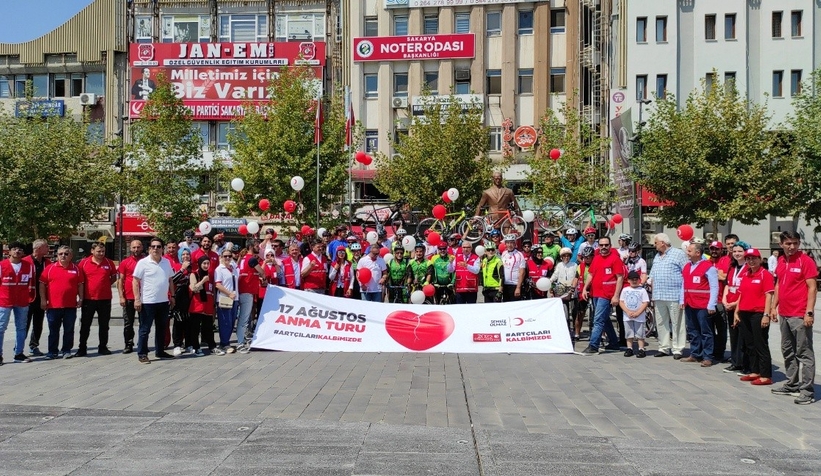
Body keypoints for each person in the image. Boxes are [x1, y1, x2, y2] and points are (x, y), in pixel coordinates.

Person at [771, 230, 817, 405]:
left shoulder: (806, 261)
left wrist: (809, 311)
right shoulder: (781, 261)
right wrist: (774, 307)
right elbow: (778, 285)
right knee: (788, 350)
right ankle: (792, 383)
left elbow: (812, 287)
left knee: (804, 352)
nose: (792, 246)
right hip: (784, 313)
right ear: (781, 244)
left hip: (799, 314)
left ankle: (807, 390)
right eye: (788, 243)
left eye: (795, 243)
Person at [733, 248, 775, 386]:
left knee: (760, 344)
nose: (751, 261)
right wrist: (736, 312)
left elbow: (769, 295)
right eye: (748, 258)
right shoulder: (746, 274)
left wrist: (766, 315)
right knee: (749, 344)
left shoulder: (765, 275)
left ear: (760, 259)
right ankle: (755, 370)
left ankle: (765, 374)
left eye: (754, 258)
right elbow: (741, 294)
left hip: (758, 313)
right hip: (744, 312)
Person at [132, 238, 176, 364]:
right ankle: (142, 353)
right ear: (149, 248)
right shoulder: (143, 263)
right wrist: (137, 299)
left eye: (158, 246)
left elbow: (170, 280)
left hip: (163, 301)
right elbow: (135, 281)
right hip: (147, 302)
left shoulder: (166, 262)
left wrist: (172, 296)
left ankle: (160, 351)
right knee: (145, 329)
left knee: (161, 328)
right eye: (153, 246)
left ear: (163, 249)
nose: (156, 249)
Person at [580, 237, 623, 354]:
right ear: (598, 246)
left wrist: (616, 296)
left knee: (598, 320)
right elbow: (590, 274)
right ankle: (614, 343)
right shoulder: (596, 259)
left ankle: (593, 345)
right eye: (601, 245)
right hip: (595, 293)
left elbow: (620, 278)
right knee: (605, 319)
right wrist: (585, 288)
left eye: (606, 245)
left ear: (610, 245)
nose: (604, 247)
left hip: (607, 294)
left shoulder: (615, 259)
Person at [648, 233, 688, 359]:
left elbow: (686, 274)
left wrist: (683, 295)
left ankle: (677, 348)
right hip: (659, 295)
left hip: (674, 295)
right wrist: (653, 295)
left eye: (656, 243)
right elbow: (653, 276)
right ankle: (664, 347)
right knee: (661, 323)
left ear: (662, 243)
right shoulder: (657, 256)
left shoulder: (679, 254)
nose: (654, 246)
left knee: (677, 323)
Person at [39, 246, 84, 360]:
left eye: (66, 254)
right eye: (60, 254)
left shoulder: (76, 269)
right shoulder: (49, 268)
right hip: (54, 306)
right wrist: (43, 300)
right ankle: (52, 351)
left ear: (71, 256)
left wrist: (81, 299)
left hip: (70, 305)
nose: (63, 256)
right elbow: (42, 285)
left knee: (69, 330)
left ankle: (66, 350)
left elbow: (80, 285)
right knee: (53, 330)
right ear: (57, 255)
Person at [680, 241, 719, 367]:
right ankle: (695, 353)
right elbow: (683, 285)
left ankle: (707, 356)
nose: (687, 253)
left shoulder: (709, 267)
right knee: (692, 330)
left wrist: (712, 304)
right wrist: (682, 299)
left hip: (702, 304)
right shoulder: (687, 266)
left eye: (690, 251)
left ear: (698, 253)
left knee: (705, 331)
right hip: (689, 303)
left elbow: (714, 286)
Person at [76, 242, 118, 357]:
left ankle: (103, 347)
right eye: (98, 251)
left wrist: (104, 285)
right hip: (89, 299)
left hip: (105, 299)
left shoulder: (109, 263)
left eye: (103, 251)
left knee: (104, 325)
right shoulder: (84, 263)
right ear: (92, 251)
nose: (101, 253)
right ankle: (82, 348)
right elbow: (79, 279)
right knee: (85, 325)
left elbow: (114, 277)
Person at [0, 242, 36, 365]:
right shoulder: (2, 265)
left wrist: (30, 298)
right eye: (14, 249)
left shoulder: (28, 266)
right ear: (9, 251)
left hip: (22, 301)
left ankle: (19, 353)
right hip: (4, 301)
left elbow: (31, 284)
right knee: (1, 328)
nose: (17, 251)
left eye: (20, 249)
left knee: (21, 328)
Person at [722, 241, 751, 374]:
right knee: (733, 335)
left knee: (743, 336)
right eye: (734, 251)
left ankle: (744, 363)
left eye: (740, 251)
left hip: (742, 306)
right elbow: (727, 284)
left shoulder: (748, 268)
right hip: (730, 305)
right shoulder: (732, 267)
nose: (737, 254)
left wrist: (735, 304)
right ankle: (735, 362)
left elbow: (745, 290)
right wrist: (724, 300)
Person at [614, 242, 647, 348]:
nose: (631, 253)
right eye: (630, 251)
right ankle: (623, 338)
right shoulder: (625, 261)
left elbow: (644, 274)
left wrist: (640, 284)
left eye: (633, 251)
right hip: (625, 289)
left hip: (636, 287)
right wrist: (623, 261)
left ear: (638, 252)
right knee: (621, 315)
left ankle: (638, 339)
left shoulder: (641, 261)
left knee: (636, 315)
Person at [237, 242, 265, 353]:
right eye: (257, 246)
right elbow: (262, 271)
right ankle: (240, 343)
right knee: (244, 319)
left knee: (243, 318)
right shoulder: (252, 259)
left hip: (243, 289)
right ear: (250, 247)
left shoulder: (244, 258)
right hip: (247, 291)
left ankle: (242, 339)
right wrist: (261, 276)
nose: (258, 248)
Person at [23, 239, 50, 356]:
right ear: (38, 249)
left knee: (38, 323)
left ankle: (34, 346)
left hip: (41, 298)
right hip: (27, 298)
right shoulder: (25, 262)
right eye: (46, 247)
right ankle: (18, 347)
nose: (48, 249)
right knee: (24, 324)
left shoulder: (48, 263)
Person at [117, 239, 144, 354]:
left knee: (144, 323)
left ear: (142, 247)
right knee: (128, 323)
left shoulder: (146, 261)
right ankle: (128, 343)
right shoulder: (125, 262)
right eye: (134, 247)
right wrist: (121, 296)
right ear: (130, 248)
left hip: (144, 297)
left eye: (138, 247)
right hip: (128, 297)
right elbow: (120, 280)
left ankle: (142, 343)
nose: (136, 249)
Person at [214, 247, 240, 355]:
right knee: (225, 322)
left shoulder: (233, 268)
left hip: (235, 298)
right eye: (225, 256)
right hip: (225, 298)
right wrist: (229, 293)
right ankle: (224, 343)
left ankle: (226, 341)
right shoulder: (219, 269)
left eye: (230, 256)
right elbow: (218, 284)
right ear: (221, 257)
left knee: (232, 321)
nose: (228, 258)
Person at [708, 240, 730, 363]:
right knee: (709, 328)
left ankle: (719, 352)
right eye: (712, 249)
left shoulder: (725, 260)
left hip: (721, 300)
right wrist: (718, 275)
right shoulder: (707, 262)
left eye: (717, 249)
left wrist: (718, 275)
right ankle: (711, 351)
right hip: (709, 300)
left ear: (721, 250)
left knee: (721, 328)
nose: (714, 251)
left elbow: (725, 277)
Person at [620, 270, 650, 358]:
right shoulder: (625, 290)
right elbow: (621, 302)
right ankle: (629, 348)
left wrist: (638, 312)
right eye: (632, 279)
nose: (634, 281)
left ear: (639, 280)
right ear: (628, 280)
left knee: (640, 333)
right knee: (629, 333)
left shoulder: (642, 290)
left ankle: (641, 349)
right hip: (627, 315)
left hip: (639, 316)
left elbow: (645, 302)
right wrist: (627, 311)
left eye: (636, 279)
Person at [188, 256, 214, 356]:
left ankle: (212, 346)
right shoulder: (194, 274)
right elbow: (193, 288)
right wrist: (203, 281)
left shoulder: (210, 275)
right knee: (195, 328)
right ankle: (196, 347)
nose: (206, 265)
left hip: (207, 304)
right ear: (200, 264)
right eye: (204, 263)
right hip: (197, 305)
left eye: (208, 263)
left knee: (208, 327)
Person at [170, 248, 192, 356]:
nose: (186, 256)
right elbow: (172, 280)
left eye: (188, 254)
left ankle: (188, 344)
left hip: (190, 297)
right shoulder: (176, 267)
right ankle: (177, 345)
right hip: (178, 296)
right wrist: (182, 269)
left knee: (189, 322)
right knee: (178, 321)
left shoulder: (192, 268)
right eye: (183, 254)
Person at [550, 247, 578, 330]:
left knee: (574, 311)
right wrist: (550, 281)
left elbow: (576, 277)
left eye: (568, 256)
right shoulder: (559, 265)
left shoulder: (574, 265)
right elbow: (555, 275)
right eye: (564, 256)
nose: (566, 257)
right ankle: (567, 329)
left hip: (572, 290)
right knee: (564, 312)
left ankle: (575, 329)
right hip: (562, 291)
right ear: (561, 257)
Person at [574, 247, 596, 339]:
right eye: (585, 257)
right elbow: (576, 278)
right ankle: (577, 333)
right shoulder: (580, 266)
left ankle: (601, 335)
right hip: (583, 290)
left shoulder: (596, 265)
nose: (586, 259)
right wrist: (572, 287)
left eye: (589, 257)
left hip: (594, 290)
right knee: (580, 313)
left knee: (597, 314)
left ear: (592, 257)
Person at [500, 235, 526, 302]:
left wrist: (518, 287)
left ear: (515, 243)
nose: (509, 245)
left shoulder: (519, 255)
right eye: (508, 243)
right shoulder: (504, 253)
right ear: (505, 244)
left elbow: (522, 272)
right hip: (505, 285)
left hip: (514, 285)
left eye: (511, 243)